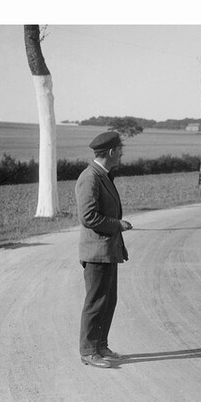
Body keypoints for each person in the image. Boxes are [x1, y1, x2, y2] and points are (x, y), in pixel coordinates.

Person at [75, 131, 133, 368]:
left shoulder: (103, 176)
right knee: (97, 301)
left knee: (108, 301)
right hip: (96, 253)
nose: (121, 154)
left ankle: (100, 346)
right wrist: (117, 225)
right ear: (110, 152)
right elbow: (88, 217)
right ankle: (88, 351)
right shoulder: (90, 178)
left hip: (107, 250)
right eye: (120, 150)